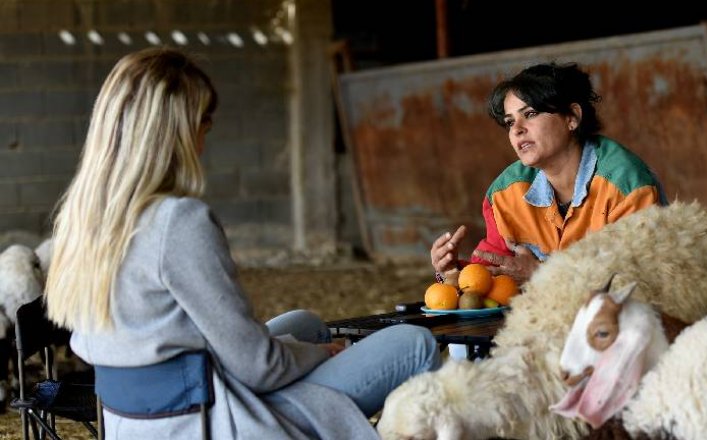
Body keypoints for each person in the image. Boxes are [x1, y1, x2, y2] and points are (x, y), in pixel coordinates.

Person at [44, 47, 440, 439]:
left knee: (306, 324)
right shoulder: (176, 222)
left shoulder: (83, 220)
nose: (202, 142)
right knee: (415, 343)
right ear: (175, 131)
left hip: (134, 421)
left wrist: (303, 347)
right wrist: (320, 353)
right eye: (202, 126)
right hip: (205, 421)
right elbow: (258, 367)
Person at [432, 61, 667, 291]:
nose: (517, 129)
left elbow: (641, 283)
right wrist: (452, 275)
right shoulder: (505, 193)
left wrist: (542, 275)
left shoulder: (626, 184)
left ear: (572, 117)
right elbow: (491, 277)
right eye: (510, 121)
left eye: (531, 113)